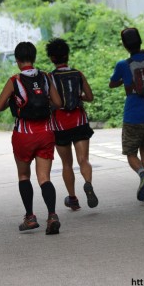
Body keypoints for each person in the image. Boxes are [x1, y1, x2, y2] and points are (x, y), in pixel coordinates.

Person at [0, 42, 63, 234]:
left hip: (23, 135)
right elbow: (58, 102)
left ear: (17, 60)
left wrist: (12, 100)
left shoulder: (14, 80)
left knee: (24, 175)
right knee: (44, 177)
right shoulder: (45, 77)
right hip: (46, 132)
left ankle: (30, 217)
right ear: (34, 58)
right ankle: (52, 215)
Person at [45, 38, 98, 210]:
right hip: (79, 120)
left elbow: (48, 101)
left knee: (67, 164)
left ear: (52, 58)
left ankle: (73, 198)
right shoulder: (78, 74)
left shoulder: (50, 78)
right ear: (67, 55)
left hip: (60, 123)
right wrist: (78, 97)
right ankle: (88, 183)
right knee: (83, 159)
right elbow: (90, 97)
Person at [109, 28, 144, 202]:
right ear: (140, 41)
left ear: (125, 45)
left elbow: (112, 83)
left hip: (133, 115)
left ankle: (143, 174)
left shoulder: (122, 65)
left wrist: (124, 80)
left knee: (130, 152)